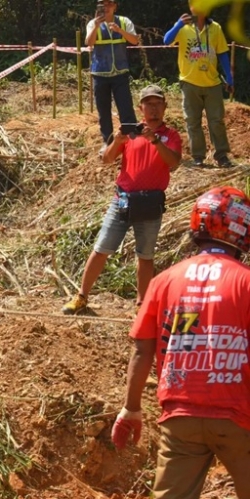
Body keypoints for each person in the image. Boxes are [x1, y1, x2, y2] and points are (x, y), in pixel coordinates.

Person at [111, 186, 250, 499]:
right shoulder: (245, 282)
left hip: (180, 412)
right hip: (238, 415)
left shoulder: (164, 280)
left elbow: (142, 348)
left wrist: (131, 407)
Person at [62, 85, 182, 315]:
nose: (154, 109)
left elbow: (173, 162)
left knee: (145, 256)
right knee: (101, 248)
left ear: (165, 107)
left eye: (158, 104)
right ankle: (81, 297)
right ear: (141, 108)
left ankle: (142, 305)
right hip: (123, 200)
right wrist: (117, 140)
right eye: (149, 104)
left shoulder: (171, 135)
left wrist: (156, 141)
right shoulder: (131, 133)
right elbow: (106, 160)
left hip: (150, 203)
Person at [164, 5, 235, 168]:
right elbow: (166, 41)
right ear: (191, 7)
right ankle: (198, 157)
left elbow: (222, 53)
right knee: (192, 121)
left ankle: (222, 155)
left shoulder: (215, 28)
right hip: (189, 82)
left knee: (216, 121)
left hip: (212, 83)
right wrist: (178, 25)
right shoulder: (183, 27)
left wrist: (229, 78)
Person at [86, 0, 140, 144]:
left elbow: (135, 40)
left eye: (109, 3)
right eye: (102, 4)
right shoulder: (93, 23)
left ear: (115, 6)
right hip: (100, 74)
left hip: (120, 72)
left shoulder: (124, 21)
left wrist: (120, 31)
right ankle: (108, 142)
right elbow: (89, 42)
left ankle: (132, 139)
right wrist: (96, 26)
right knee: (103, 111)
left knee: (126, 108)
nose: (106, 7)